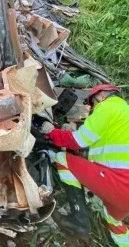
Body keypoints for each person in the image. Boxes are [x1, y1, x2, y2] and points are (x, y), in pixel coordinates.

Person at [41, 84, 129, 245]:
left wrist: (52, 132)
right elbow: (107, 149)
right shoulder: (123, 115)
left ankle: (79, 219)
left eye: (92, 104)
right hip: (124, 191)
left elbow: (78, 141)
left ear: (101, 96)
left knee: (62, 159)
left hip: (120, 182)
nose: (91, 110)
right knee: (113, 220)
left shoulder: (108, 107)